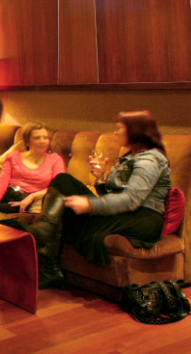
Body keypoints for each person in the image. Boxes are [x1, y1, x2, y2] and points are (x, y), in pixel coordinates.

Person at [24, 110, 172, 289]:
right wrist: (100, 178)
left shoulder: (150, 159)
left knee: (68, 209)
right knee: (63, 181)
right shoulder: (130, 156)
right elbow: (114, 195)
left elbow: (132, 199)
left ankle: (50, 263)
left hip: (142, 218)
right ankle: (46, 230)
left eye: (119, 128)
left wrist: (89, 204)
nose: (115, 133)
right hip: (126, 211)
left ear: (134, 131)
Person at [0, 122, 65, 214]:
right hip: (7, 192)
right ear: (27, 142)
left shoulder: (55, 159)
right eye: (37, 138)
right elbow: (2, 180)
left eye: (45, 138)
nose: (43, 141)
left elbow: (58, 188)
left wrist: (32, 196)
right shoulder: (13, 157)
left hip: (26, 199)